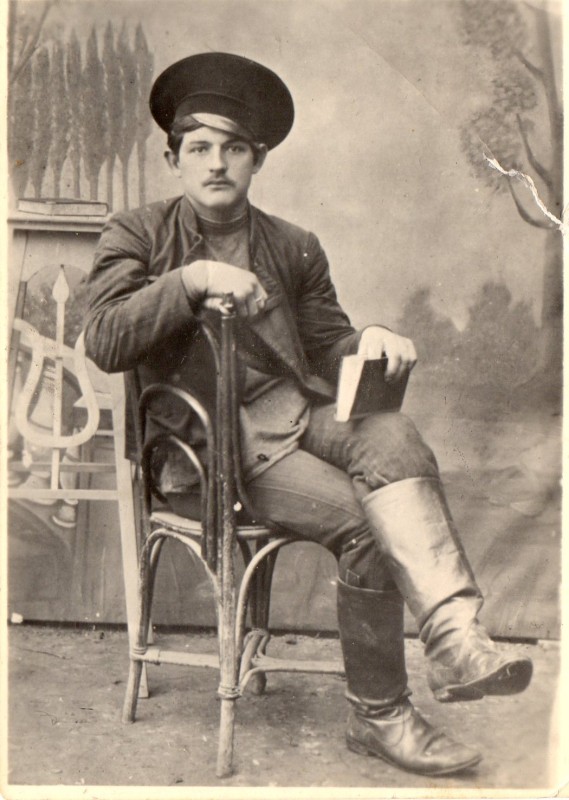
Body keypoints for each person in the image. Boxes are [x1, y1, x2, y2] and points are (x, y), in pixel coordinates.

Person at [84, 52, 532, 778]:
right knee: (368, 525)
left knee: (392, 432)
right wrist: (191, 279)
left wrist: (372, 340)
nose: (217, 163)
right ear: (173, 158)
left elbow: (328, 345)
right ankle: (380, 716)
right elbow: (104, 338)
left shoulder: (292, 245)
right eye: (199, 147)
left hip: (293, 417)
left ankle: (455, 640)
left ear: (258, 159)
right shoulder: (136, 234)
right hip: (208, 449)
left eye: (234, 148)